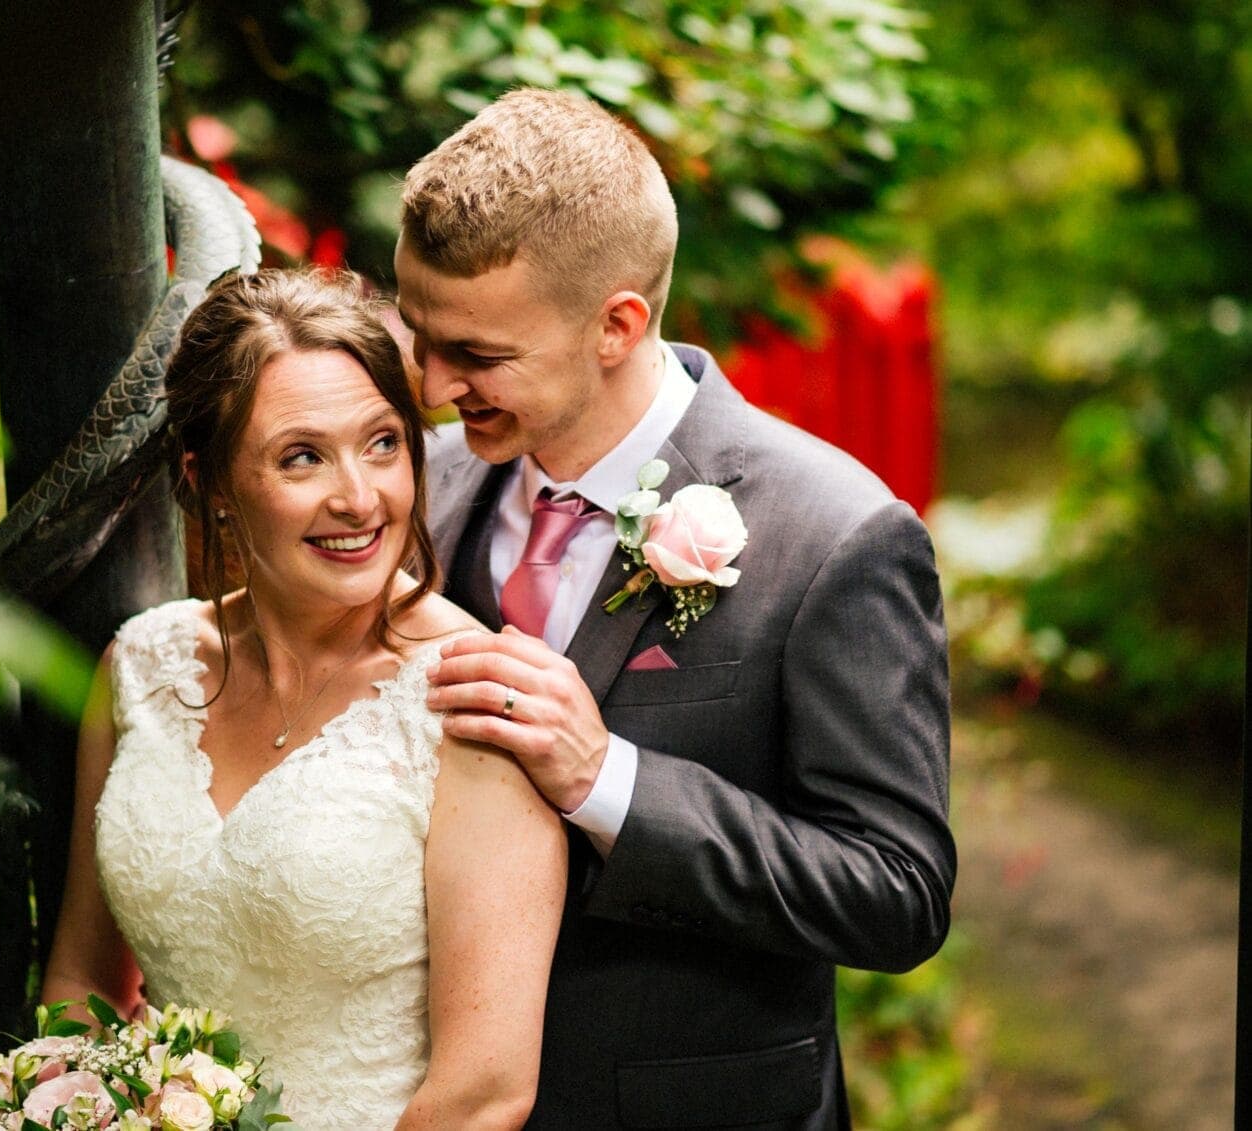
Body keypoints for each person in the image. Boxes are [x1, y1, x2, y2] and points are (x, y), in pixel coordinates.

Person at [393, 87, 956, 1129]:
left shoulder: (833, 535)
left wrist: (605, 780)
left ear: (616, 324)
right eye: (418, 334)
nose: (429, 385)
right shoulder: (418, 490)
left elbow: (896, 894)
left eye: (474, 356)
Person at [41, 268, 567, 1130]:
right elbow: (85, 980)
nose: (359, 498)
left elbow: (484, 1092)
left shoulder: (475, 701)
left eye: (384, 444)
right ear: (209, 481)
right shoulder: (139, 667)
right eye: (301, 456)